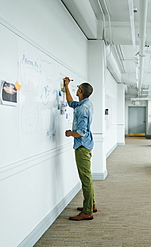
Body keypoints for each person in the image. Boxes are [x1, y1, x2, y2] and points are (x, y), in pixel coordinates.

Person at [64, 77, 97, 221]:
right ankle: (92, 205)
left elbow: (81, 132)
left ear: (80, 91)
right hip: (86, 144)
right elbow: (71, 103)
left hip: (82, 146)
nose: (75, 90)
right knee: (87, 177)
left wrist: (69, 133)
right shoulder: (86, 104)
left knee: (85, 179)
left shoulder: (83, 109)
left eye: (77, 88)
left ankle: (88, 211)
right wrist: (66, 86)